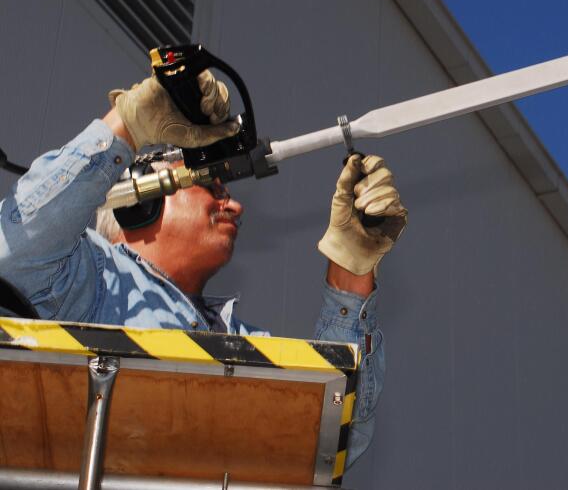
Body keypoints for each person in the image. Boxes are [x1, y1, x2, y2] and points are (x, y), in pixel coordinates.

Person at [0, 72, 407, 467]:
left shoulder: (241, 341)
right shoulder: (89, 275)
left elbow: (331, 438)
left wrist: (351, 274)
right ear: (138, 198)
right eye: (213, 186)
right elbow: (15, 248)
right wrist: (128, 122)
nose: (235, 206)